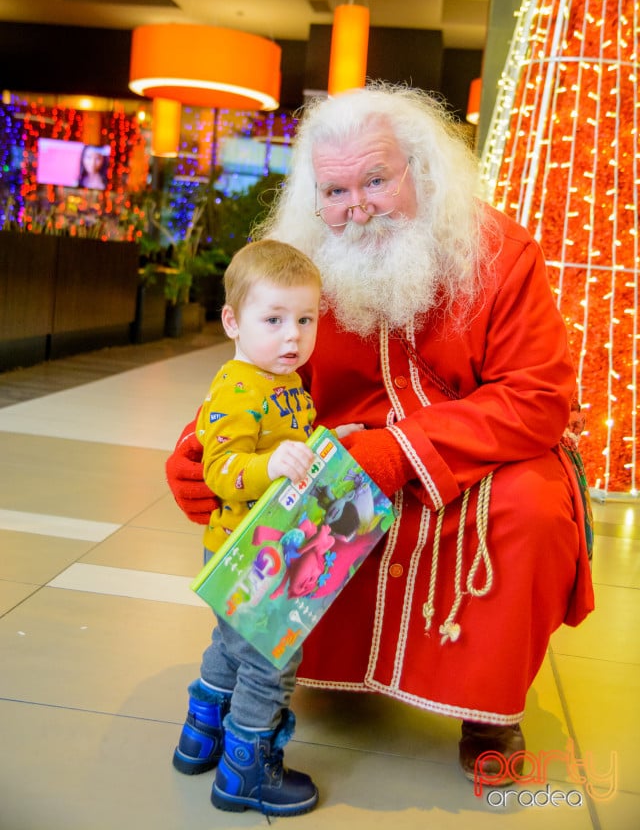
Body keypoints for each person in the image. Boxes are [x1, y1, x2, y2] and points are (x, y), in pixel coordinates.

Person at [166, 84, 594, 792]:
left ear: (418, 170)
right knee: (299, 488)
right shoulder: (295, 262)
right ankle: (246, 718)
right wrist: (198, 446)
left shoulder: (500, 252)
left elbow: (539, 396)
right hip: (338, 457)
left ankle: (487, 708)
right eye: (334, 190)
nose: (356, 206)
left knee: (534, 508)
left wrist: (398, 452)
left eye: (375, 179)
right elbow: (255, 374)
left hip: (480, 457)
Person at [172, 238, 361, 817]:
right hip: (246, 555)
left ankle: (200, 736)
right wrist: (269, 466)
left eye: (305, 320)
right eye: (274, 319)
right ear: (232, 321)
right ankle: (244, 772)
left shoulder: (286, 384)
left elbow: (292, 447)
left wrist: (326, 445)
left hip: (266, 548)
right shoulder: (238, 386)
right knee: (269, 664)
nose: (292, 336)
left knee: (231, 648)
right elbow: (221, 469)